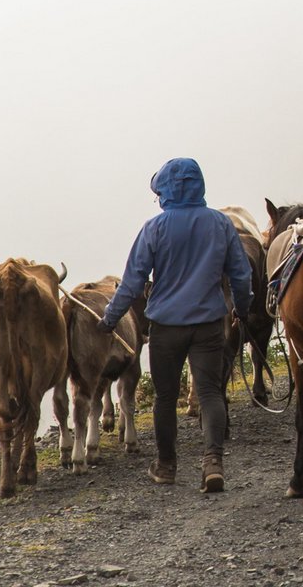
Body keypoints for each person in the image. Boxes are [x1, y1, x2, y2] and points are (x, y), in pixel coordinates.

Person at [100, 157, 252, 493]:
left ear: (165, 192)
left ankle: (166, 465)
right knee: (211, 393)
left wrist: (110, 320)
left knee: (166, 397)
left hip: (165, 327)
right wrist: (241, 309)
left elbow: (131, 283)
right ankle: (213, 462)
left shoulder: (153, 229)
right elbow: (242, 274)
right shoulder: (221, 224)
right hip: (210, 324)